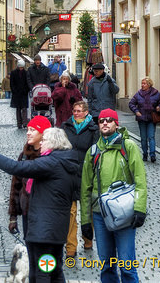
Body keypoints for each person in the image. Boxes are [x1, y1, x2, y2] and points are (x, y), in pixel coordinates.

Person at [0, 127, 79, 283]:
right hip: (57, 230)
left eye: (44, 140)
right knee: (55, 270)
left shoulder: (50, 163)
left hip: (44, 232)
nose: (41, 143)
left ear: (53, 143)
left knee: (42, 272)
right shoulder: (68, 162)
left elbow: (15, 168)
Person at [81, 109, 147, 283]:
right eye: (102, 120)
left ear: (116, 124)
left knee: (127, 266)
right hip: (100, 215)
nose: (105, 123)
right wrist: (85, 221)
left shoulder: (128, 146)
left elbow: (140, 179)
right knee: (107, 266)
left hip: (124, 213)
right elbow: (85, 189)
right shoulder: (93, 152)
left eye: (109, 120)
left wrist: (140, 208)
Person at [62, 101, 98, 257]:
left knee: (87, 210)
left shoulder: (93, 130)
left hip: (85, 174)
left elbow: (96, 153)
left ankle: (88, 240)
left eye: (79, 111)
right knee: (70, 212)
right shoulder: (66, 127)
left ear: (86, 112)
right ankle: (71, 247)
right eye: (74, 111)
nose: (75, 113)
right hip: (69, 174)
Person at [8, 115, 52, 238]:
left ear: (43, 133)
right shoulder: (24, 155)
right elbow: (15, 186)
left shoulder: (51, 156)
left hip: (46, 214)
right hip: (27, 212)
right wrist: (13, 217)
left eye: (32, 130)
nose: (28, 133)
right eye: (28, 129)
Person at [129, 77, 160, 162]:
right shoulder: (138, 94)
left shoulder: (155, 93)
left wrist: (159, 107)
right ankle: (145, 154)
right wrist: (136, 111)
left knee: (151, 137)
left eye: (144, 83)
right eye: (142, 83)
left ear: (149, 84)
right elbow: (131, 103)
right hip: (142, 118)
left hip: (152, 118)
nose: (142, 85)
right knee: (143, 138)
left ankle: (152, 155)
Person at [10, 60, 29, 129]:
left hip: (24, 93)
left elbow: (27, 82)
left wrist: (26, 90)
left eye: (22, 67)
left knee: (24, 108)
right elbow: (12, 83)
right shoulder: (13, 73)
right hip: (17, 94)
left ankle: (24, 122)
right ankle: (19, 123)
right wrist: (14, 91)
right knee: (18, 109)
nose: (21, 68)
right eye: (20, 67)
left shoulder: (26, 73)